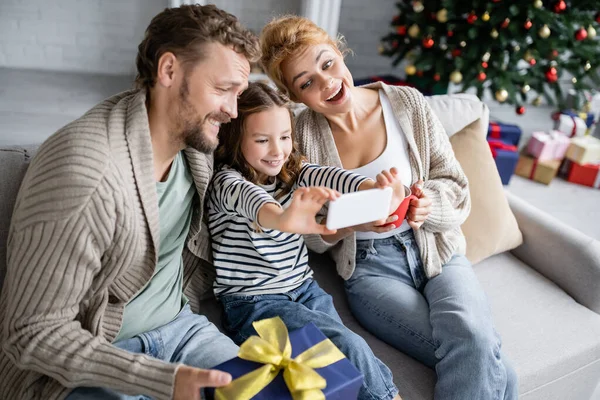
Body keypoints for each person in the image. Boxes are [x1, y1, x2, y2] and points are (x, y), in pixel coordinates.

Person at [0, 5, 260, 400]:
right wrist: (161, 380)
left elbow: (274, 143)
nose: (231, 110)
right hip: (95, 357)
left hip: (183, 331)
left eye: (237, 94)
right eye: (222, 89)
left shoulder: (197, 141)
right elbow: (31, 331)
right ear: (169, 71)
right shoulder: (85, 172)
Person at [259, 16, 518, 400]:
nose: (326, 82)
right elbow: (310, 236)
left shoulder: (407, 103)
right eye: (306, 82)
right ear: (296, 97)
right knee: (495, 367)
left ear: (340, 53)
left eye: (327, 63)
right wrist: (349, 222)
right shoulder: (299, 137)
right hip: (371, 270)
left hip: (439, 251)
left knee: (474, 337)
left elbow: (456, 187)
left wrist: (426, 204)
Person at [207, 81, 403, 400]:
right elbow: (257, 203)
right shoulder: (227, 182)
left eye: (284, 138)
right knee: (347, 347)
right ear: (235, 139)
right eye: (261, 140)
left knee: (348, 355)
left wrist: (377, 192)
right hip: (254, 303)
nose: (277, 151)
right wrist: (283, 219)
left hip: (305, 290)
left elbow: (334, 176)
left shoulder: (293, 172)